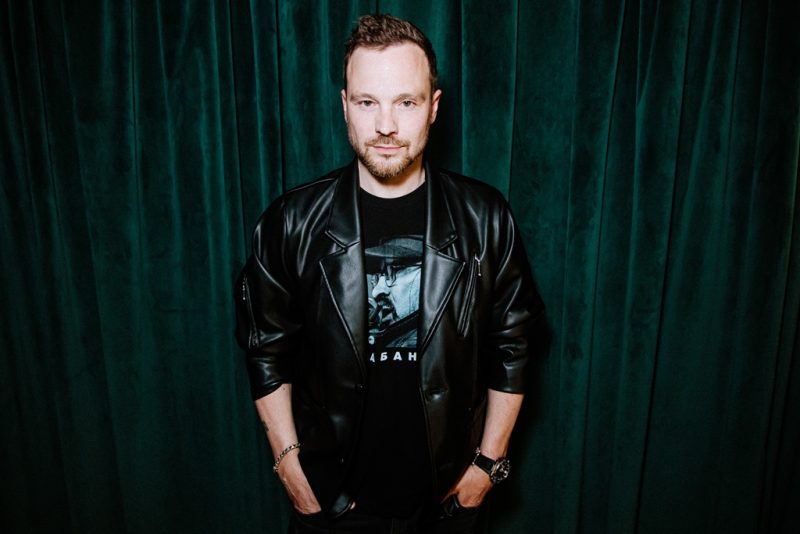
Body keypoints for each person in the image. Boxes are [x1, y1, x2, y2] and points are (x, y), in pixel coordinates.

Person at [235, 13, 544, 533]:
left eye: (406, 102)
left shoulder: (485, 217)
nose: (385, 125)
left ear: (434, 107)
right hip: (332, 505)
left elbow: (513, 345)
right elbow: (265, 348)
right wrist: (290, 467)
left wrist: (487, 468)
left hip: (447, 504)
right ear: (344, 106)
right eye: (367, 102)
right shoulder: (291, 222)